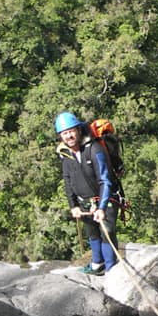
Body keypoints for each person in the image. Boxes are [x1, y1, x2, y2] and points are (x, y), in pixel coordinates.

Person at [54, 111, 119, 275]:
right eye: (64, 133)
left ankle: (111, 270)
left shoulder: (94, 148)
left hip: (105, 198)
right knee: (92, 232)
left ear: (78, 130)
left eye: (71, 131)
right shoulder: (65, 153)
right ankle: (97, 264)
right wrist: (73, 205)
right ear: (60, 136)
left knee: (107, 233)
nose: (68, 136)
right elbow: (68, 180)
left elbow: (105, 180)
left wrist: (102, 208)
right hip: (85, 202)